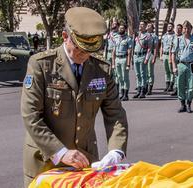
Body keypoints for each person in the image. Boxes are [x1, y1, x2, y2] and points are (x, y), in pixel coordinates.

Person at [21, 7, 128, 187]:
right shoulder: (42, 65)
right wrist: (61, 152)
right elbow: (31, 116)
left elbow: (115, 114)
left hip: (84, 161)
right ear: (65, 36)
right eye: (79, 48)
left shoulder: (101, 70)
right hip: (46, 161)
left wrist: (116, 151)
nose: (84, 55)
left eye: (89, 50)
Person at [171, 20, 193, 113]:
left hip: (191, 65)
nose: (186, 30)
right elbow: (173, 54)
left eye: (188, 28)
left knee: (191, 86)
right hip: (181, 65)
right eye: (185, 28)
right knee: (180, 85)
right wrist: (174, 67)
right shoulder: (178, 39)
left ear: (191, 29)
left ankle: (189, 104)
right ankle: (182, 104)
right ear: (182, 29)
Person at [112, 22, 132, 101]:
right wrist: (113, 63)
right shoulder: (116, 38)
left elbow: (129, 52)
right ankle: (122, 93)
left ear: (125, 29)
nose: (121, 29)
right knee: (119, 77)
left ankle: (126, 94)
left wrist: (128, 64)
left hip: (124, 59)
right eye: (120, 28)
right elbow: (114, 51)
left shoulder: (128, 39)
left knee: (125, 77)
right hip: (117, 59)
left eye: (122, 28)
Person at [132, 21, 149, 98]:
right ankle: (138, 90)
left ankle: (143, 90)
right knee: (137, 74)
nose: (140, 26)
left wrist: (146, 58)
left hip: (142, 56)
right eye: (140, 24)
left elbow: (149, 48)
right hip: (136, 56)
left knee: (143, 74)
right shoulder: (137, 35)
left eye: (142, 25)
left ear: (145, 26)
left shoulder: (148, 36)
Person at [160, 22, 175, 93]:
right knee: (166, 71)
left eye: (170, 26)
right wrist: (160, 55)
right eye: (168, 26)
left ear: (173, 27)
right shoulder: (164, 36)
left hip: (171, 55)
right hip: (164, 55)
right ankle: (167, 84)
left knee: (171, 70)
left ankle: (171, 85)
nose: (169, 28)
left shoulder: (175, 36)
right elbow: (162, 46)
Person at [144, 22, 158, 95]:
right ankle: (144, 86)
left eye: (149, 26)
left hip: (150, 54)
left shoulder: (154, 36)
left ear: (152, 28)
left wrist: (154, 57)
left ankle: (150, 88)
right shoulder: (144, 35)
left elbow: (155, 48)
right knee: (144, 71)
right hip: (143, 54)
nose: (147, 26)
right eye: (147, 25)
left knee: (150, 72)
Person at [170, 24, 183, 96]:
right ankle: (175, 88)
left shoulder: (183, 37)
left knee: (180, 74)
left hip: (181, 58)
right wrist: (170, 58)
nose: (178, 30)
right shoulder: (173, 37)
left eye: (179, 28)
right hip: (174, 57)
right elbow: (171, 48)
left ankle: (180, 88)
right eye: (177, 28)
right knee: (175, 73)